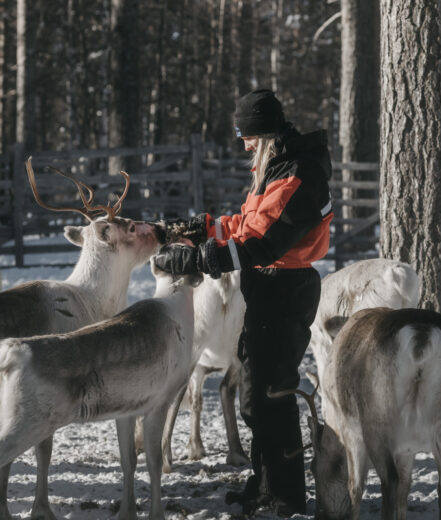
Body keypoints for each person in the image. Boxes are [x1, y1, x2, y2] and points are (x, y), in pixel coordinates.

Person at [154, 89, 333, 517]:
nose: (244, 145)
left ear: (265, 133)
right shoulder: (278, 169)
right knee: (258, 397)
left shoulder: (299, 175)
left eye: (247, 136)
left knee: (269, 395)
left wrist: (197, 258)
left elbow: (260, 244)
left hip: (285, 289)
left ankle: (286, 494)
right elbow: (245, 225)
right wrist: (198, 229)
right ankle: (264, 485)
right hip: (267, 289)